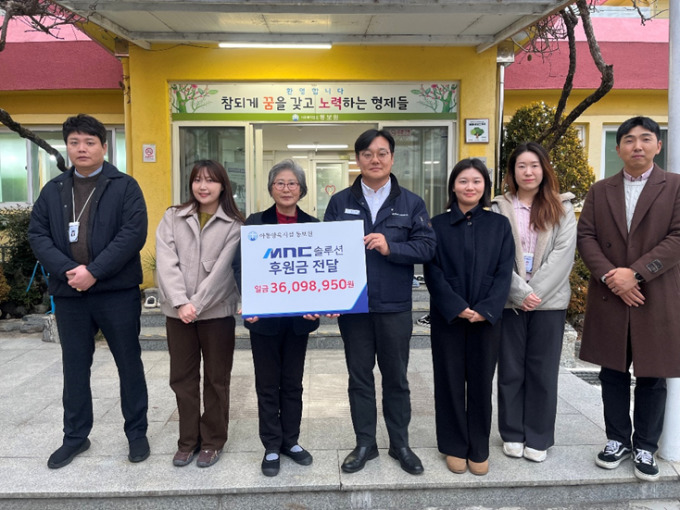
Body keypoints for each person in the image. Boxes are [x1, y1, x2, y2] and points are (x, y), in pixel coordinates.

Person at [28, 114, 150, 468]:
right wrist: (70, 271)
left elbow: (132, 234)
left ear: (103, 147)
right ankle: (75, 436)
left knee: (128, 362)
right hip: (70, 294)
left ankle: (137, 433)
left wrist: (94, 272)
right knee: (75, 366)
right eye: (74, 142)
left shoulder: (124, 186)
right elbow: (38, 234)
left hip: (116, 292)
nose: (82, 148)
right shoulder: (53, 190)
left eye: (89, 142)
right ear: (67, 147)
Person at [324, 129, 436, 475]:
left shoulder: (411, 203)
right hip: (354, 307)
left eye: (382, 153)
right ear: (358, 159)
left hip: (394, 307)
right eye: (368, 154)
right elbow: (326, 251)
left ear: (392, 158)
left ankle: (400, 444)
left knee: (396, 378)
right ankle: (365, 444)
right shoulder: (340, 202)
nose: (375, 159)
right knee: (359, 378)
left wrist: (392, 247)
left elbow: (427, 247)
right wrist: (329, 295)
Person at [577, 116, 680, 482]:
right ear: (618, 148)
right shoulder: (600, 190)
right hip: (612, 294)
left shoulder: (675, 186)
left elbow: (677, 237)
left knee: (653, 373)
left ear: (658, 145)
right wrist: (611, 276)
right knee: (612, 371)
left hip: (654, 292)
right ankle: (617, 440)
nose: (637, 146)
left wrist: (634, 273)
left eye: (646, 139)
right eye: (629, 140)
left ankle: (646, 446)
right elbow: (586, 236)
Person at [424, 158, 514, 476]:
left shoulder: (499, 225)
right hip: (448, 317)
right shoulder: (436, 225)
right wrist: (455, 306)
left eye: (477, 181)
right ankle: (453, 445)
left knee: (480, 382)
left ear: (485, 186)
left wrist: (487, 309)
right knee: (448, 381)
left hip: (486, 319)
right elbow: (432, 271)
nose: (470, 187)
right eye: (463, 181)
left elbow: (504, 271)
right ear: (453, 185)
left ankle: (478, 447)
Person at [233, 159, 320, 477]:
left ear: (301, 189)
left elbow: (319, 270)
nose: (286, 188)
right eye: (280, 183)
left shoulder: (313, 225)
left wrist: (319, 301)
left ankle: (290, 441)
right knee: (267, 384)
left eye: (292, 183)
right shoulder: (255, 223)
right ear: (271, 188)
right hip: (265, 319)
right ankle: (271, 444)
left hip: (299, 318)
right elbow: (240, 266)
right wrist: (250, 300)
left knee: (292, 383)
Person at [491, 142, 576, 463]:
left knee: (543, 371)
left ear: (544, 169)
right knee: (510, 369)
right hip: (509, 302)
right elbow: (496, 256)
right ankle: (512, 432)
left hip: (549, 303)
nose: (528, 172)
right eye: (521, 166)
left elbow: (563, 255)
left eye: (534, 165)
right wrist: (518, 293)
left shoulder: (562, 207)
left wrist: (532, 294)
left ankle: (539, 436)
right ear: (512, 172)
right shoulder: (499, 208)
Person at [155, 160, 243, 468]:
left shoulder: (235, 224)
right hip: (178, 313)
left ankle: (213, 441)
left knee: (217, 380)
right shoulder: (173, 216)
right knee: (182, 378)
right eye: (197, 180)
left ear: (223, 185)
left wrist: (196, 304)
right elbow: (166, 261)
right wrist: (181, 302)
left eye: (210, 180)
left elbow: (222, 272)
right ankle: (187, 441)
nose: (203, 186)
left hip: (216, 313)